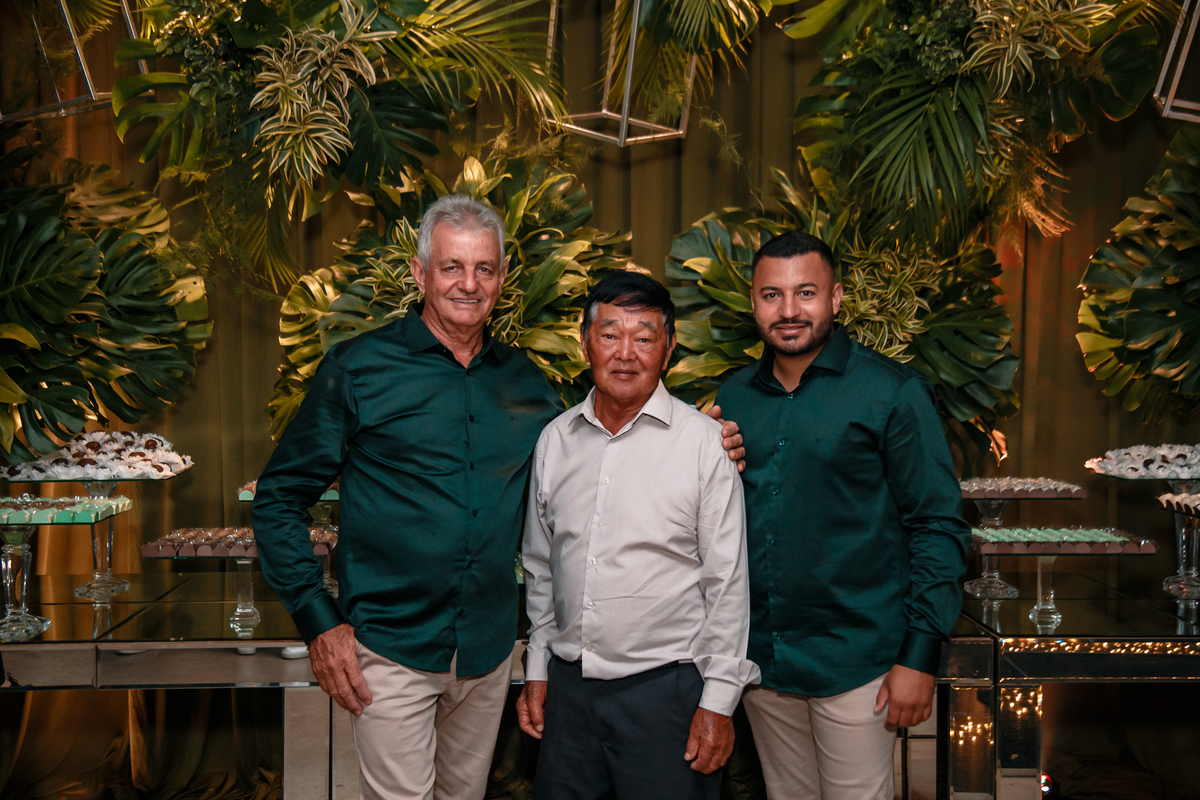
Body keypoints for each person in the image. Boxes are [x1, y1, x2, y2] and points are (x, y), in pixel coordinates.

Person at [252, 196, 745, 800]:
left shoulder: (528, 387)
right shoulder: (358, 369)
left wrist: (704, 440)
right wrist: (318, 621)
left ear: (503, 277)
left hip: (484, 658)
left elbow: (597, 462)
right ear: (420, 273)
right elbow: (278, 498)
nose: (469, 283)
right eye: (451, 267)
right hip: (390, 646)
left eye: (484, 268)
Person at [714, 231, 970, 800]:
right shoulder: (734, 399)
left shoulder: (892, 392)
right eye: (772, 295)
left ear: (836, 298)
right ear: (753, 302)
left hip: (859, 661)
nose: (788, 310)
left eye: (806, 292)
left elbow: (938, 525)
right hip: (764, 663)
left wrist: (921, 655)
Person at [516, 271, 760, 800]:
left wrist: (718, 703)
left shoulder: (705, 445)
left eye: (644, 337)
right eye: (609, 334)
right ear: (586, 343)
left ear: (668, 349)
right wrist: (538, 667)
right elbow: (540, 568)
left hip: (667, 696)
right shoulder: (555, 442)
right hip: (569, 697)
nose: (625, 353)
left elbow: (727, 584)